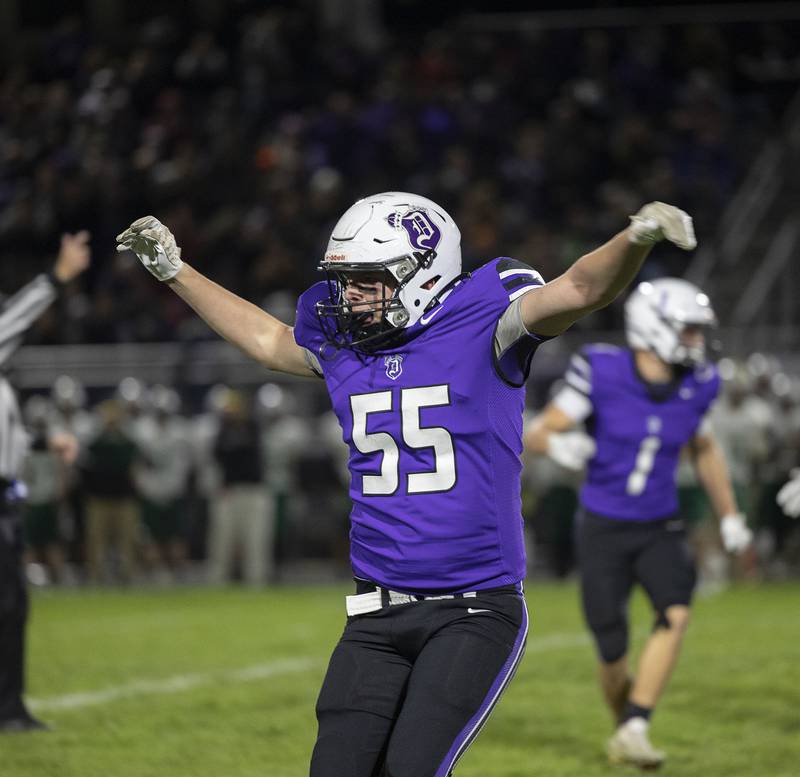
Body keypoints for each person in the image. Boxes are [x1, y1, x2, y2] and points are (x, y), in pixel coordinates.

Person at [117, 195, 696, 776]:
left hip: (471, 609)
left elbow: (579, 290)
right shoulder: (343, 342)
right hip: (374, 611)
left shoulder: (486, 321)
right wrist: (175, 271)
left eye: (368, 281)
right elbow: (269, 342)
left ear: (424, 272)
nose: (351, 297)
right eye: (345, 281)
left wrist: (636, 238)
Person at [525, 277, 752, 769]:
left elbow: (705, 446)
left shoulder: (698, 382)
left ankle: (637, 724)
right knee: (611, 649)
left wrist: (730, 514)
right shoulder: (602, 369)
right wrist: (558, 445)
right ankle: (623, 729)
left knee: (676, 611)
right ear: (654, 327)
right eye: (688, 331)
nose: (696, 341)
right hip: (603, 525)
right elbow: (537, 432)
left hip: (659, 523)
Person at [0, 232, 90, 732]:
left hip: (6, 503)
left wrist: (43, 442)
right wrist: (57, 277)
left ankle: (9, 709)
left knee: (12, 609)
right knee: (7, 607)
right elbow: (13, 319)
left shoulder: (3, 385)